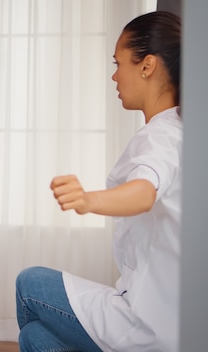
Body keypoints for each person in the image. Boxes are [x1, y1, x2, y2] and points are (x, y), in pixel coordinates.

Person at [15, 11, 181, 352]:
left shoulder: (161, 136)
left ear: (147, 66)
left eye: (119, 63)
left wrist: (89, 200)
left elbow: (144, 191)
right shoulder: (183, 129)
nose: (114, 75)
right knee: (34, 338)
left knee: (29, 284)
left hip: (151, 324)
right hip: (170, 316)